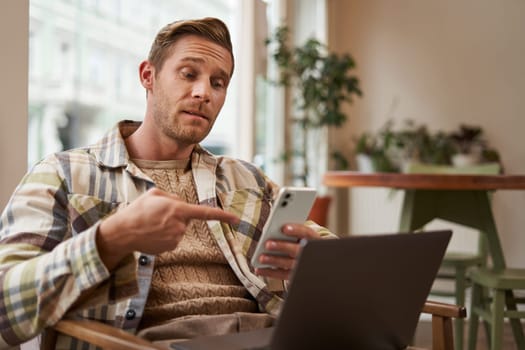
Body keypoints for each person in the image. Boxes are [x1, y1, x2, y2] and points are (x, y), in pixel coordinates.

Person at [0, 17, 333, 349]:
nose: (204, 93)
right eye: (189, 74)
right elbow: (6, 310)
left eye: (218, 83)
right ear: (148, 76)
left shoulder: (246, 179)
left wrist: (316, 264)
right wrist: (110, 240)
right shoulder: (64, 174)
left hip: (269, 337)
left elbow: (346, 265)